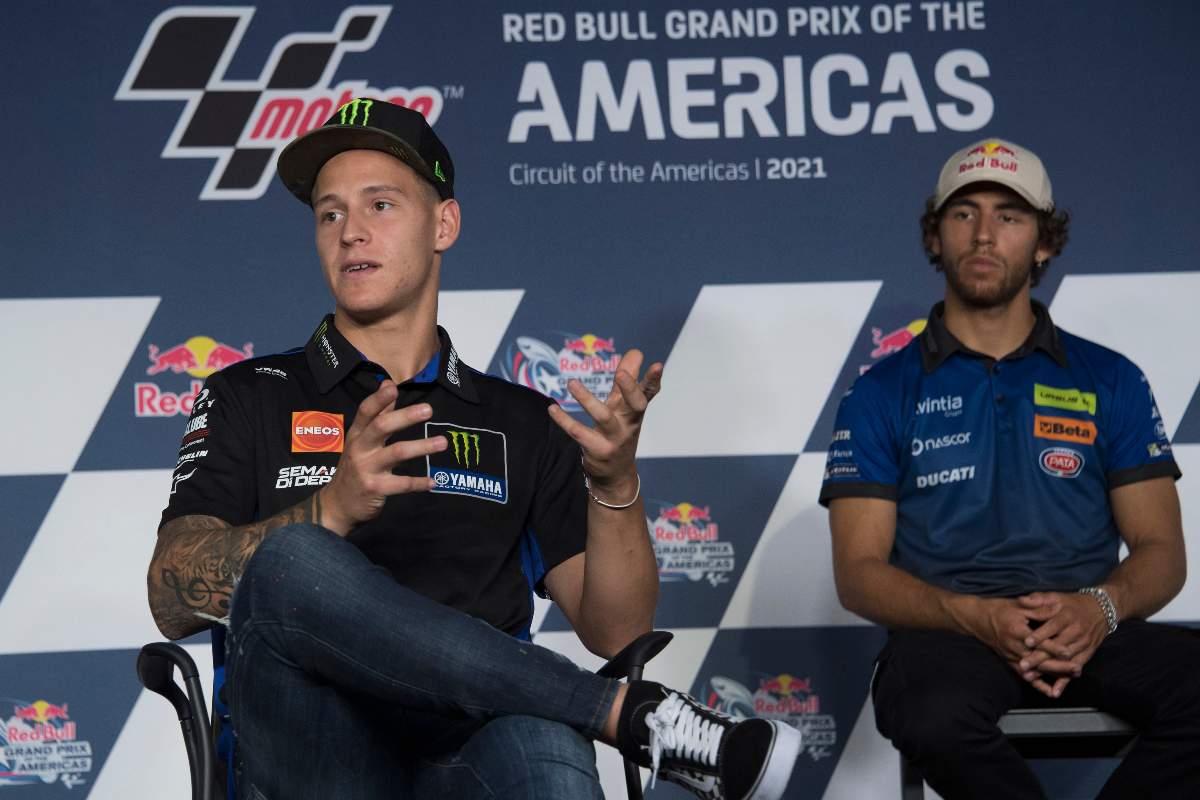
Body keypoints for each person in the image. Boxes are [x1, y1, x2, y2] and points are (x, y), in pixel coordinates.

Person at [147, 98, 800, 800]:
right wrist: (331, 507)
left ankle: (603, 713)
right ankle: (625, 715)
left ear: (444, 224)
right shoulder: (252, 394)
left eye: (381, 205)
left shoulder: (520, 419)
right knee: (296, 557)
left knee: (546, 745)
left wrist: (613, 483)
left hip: (472, 750)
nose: (350, 233)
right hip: (314, 748)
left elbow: (619, 632)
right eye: (330, 213)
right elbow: (169, 596)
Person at [819, 138, 1200, 798]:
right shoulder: (880, 392)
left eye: (1011, 215)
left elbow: (1163, 551)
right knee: (927, 708)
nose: (985, 233)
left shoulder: (1111, 379)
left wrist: (1099, 609)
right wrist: (971, 614)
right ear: (935, 237)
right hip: (949, 634)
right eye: (963, 214)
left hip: (1088, 625)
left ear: (1045, 242)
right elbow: (858, 574)